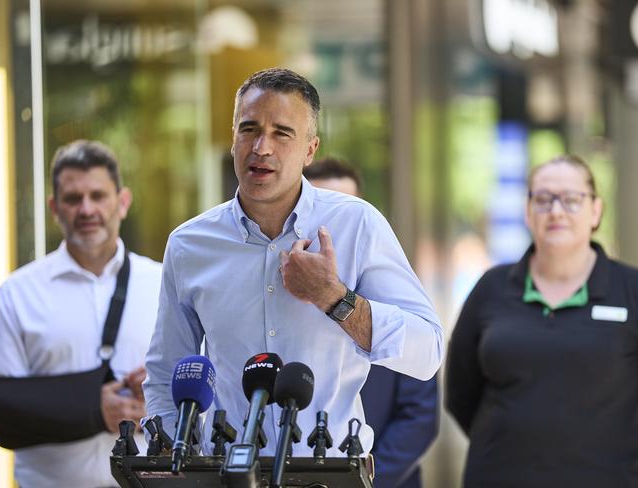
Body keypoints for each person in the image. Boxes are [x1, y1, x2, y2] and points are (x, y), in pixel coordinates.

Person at [144, 68, 443, 460]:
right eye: (248, 129)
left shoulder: (358, 225)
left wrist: (334, 297)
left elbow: (428, 352)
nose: (261, 148)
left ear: (310, 149)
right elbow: (168, 370)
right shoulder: (189, 245)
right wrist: (172, 459)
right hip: (228, 474)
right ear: (232, 140)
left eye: (282, 133)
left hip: (332, 473)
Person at [445, 154, 638, 488]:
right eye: (544, 199)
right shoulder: (491, 287)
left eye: (572, 199)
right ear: (528, 211)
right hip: (499, 477)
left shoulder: (631, 290)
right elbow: (460, 392)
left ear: (596, 210)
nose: (557, 211)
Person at [0, 140, 162, 488]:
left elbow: (210, 391)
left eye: (98, 196)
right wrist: (91, 409)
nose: (86, 209)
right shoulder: (17, 294)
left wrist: (161, 398)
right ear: (54, 207)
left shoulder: (163, 284)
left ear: (122, 202)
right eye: (72, 199)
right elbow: (1, 409)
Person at [304, 157, 438, 488]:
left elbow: (419, 415)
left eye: (347, 212)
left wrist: (363, 481)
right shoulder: (284, 299)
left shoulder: (395, 296)